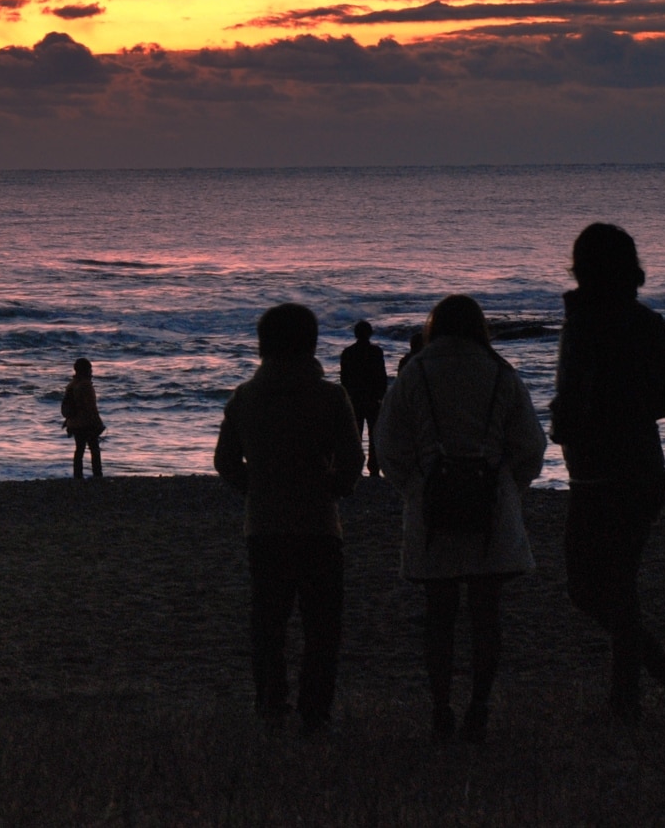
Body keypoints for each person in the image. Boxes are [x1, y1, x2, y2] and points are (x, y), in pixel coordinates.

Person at [550, 223, 665, 723]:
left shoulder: (585, 321)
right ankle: (638, 694)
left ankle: (657, 685)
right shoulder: (644, 321)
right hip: (643, 468)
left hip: (600, 474)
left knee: (590, 588)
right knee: (618, 587)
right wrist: (637, 411)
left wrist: (575, 424)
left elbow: (574, 398)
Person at [376, 295, 546, 743]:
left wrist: (416, 486)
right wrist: (508, 487)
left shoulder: (415, 373)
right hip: (491, 507)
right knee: (487, 615)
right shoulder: (501, 373)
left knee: (439, 615)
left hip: (433, 508)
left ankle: (440, 708)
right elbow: (531, 446)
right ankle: (479, 706)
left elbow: (388, 446)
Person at [214, 303, 364, 734]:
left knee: (268, 621)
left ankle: (270, 704)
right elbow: (352, 462)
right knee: (322, 625)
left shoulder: (246, 396)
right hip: (319, 524)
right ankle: (314, 710)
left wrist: (254, 486)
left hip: (264, 523)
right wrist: (334, 487)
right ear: (311, 344)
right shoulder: (330, 396)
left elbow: (225, 460)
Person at [339, 321, 388, 475]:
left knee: (355, 436)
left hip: (355, 398)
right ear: (370, 333)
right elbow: (381, 376)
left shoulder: (348, 352)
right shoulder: (376, 352)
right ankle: (374, 468)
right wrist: (380, 395)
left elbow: (344, 377)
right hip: (372, 399)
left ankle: (355, 469)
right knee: (374, 436)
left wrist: (349, 394)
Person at [61, 358, 105, 479]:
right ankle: (97, 475)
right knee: (94, 449)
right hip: (86, 423)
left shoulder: (71, 385)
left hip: (74, 423)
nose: (92, 372)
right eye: (90, 369)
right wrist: (98, 423)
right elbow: (90, 407)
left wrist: (68, 422)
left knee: (79, 450)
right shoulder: (86, 386)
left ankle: (78, 476)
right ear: (86, 370)